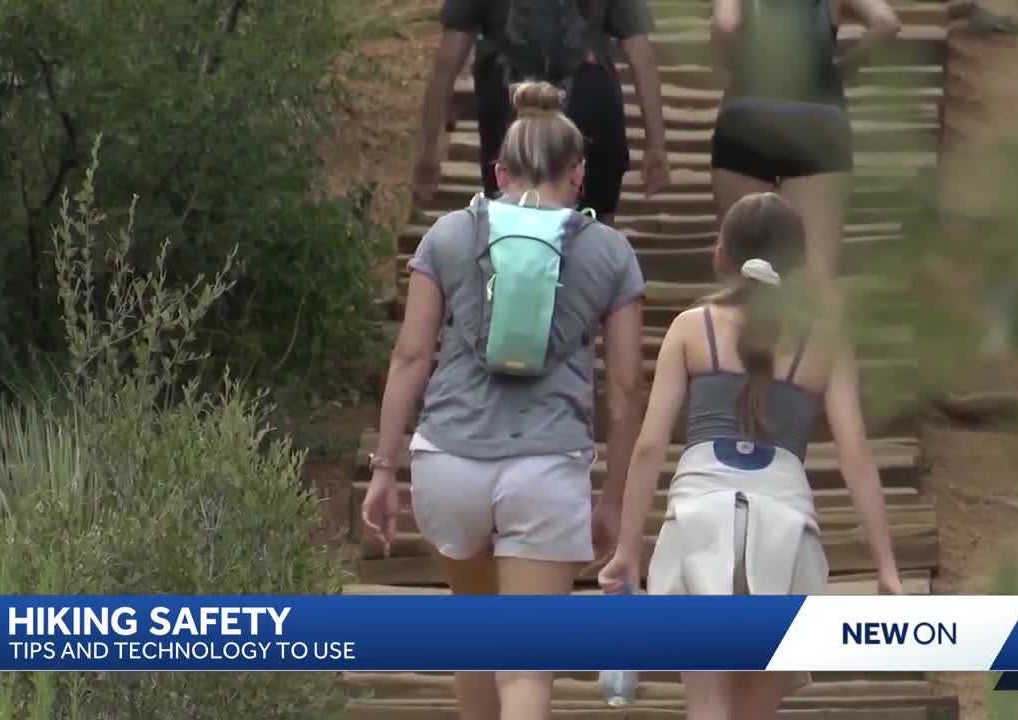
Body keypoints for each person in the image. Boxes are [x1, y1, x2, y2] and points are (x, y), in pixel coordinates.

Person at [363, 82, 646, 720]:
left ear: (498, 173)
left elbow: (410, 357)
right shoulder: (610, 252)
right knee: (524, 670)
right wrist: (613, 496)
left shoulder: (449, 235)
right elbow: (627, 388)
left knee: (475, 642)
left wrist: (384, 469)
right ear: (579, 173)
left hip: (449, 461)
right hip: (546, 467)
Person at [598, 193, 904, 720]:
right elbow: (854, 453)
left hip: (699, 520)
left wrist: (628, 548)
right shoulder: (824, 342)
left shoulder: (691, 328)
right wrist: (886, 565)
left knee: (708, 706)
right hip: (785, 530)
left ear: (721, 254)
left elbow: (649, 446)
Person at [411, 0, 672, 225]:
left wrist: (427, 148)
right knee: (593, 227)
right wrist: (656, 144)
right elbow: (641, 56)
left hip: (509, 111)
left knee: (511, 225)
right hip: (588, 109)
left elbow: (448, 60)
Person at [708, 0, 900, 279]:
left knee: (742, 268)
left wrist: (740, 66)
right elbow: (886, 22)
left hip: (748, 115)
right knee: (815, 271)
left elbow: (726, 25)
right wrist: (844, 69)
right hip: (818, 116)